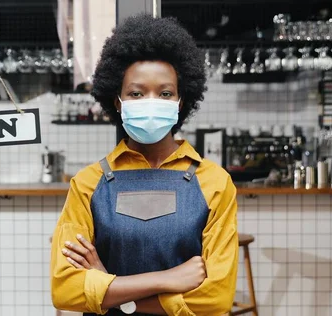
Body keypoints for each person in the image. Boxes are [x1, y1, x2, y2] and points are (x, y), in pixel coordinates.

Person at [50, 14, 238, 316]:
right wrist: (168, 280)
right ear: (118, 101)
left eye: (165, 93)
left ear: (179, 101)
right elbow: (66, 290)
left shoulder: (215, 183)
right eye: (136, 93)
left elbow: (215, 299)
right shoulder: (87, 183)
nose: (151, 101)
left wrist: (114, 292)